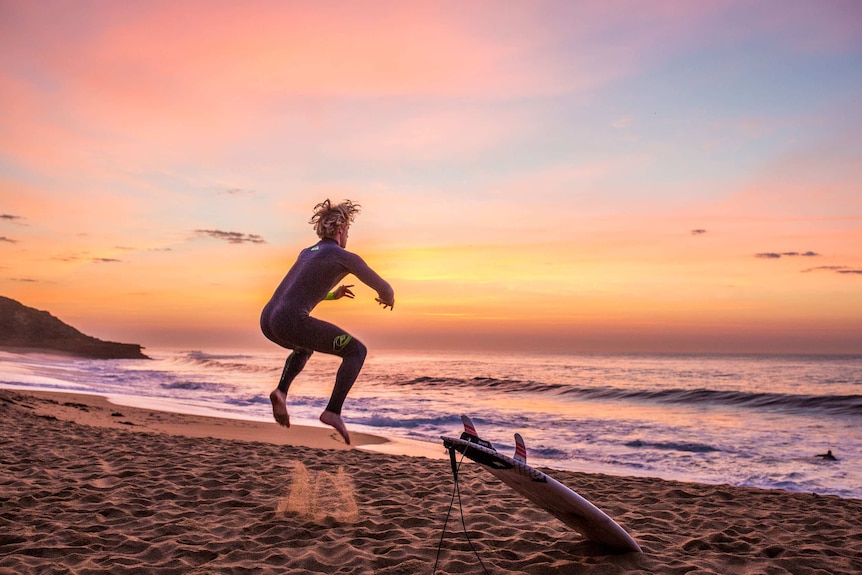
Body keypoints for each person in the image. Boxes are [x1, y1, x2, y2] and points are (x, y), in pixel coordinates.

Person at [260, 199, 394, 445]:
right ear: (341, 229)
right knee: (356, 351)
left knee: (304, 347)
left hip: (268, 320)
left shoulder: (307, 253)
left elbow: (300, 291)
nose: (348, 237)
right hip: (289, 321)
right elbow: (384, 287)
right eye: (348, 232)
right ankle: (333, 411)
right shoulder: (344, 256)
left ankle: (281, 391)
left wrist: (334, 294)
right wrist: (388, 297)